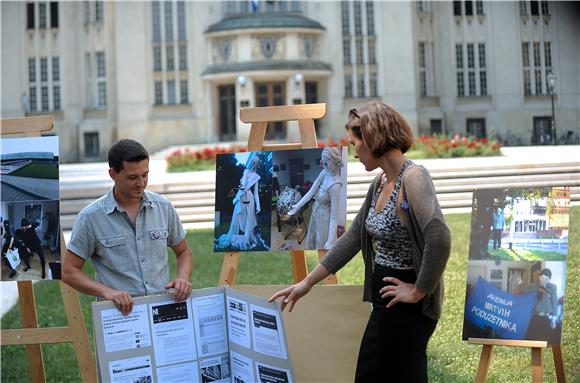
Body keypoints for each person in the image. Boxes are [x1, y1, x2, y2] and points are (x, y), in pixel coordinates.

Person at [269, 101, 451, 383]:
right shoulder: (379, 182)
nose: (353, 153)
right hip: (385, 301)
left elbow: (439, 235)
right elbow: (353, 237)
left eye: (355, 143)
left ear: (373, 139)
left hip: (407, 308)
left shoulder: (414, 178)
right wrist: (307, 282)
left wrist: (419, 290)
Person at [62, 139, 193, 316]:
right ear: (113, 174)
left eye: (145, 175)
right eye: (132, 177)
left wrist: (182, 279)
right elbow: (69, 271)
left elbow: (183, 251)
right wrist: (107, 292)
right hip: (118, 316)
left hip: (163, 311)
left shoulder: (164, 207)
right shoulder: (90, 218)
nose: (141, 183)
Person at [287, 146, 344, 250]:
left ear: (335, 161)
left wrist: (331, 239)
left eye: (326, 162)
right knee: (312, 238)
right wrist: (297, 206)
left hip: (324, 217)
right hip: (316, 212)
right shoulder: (324, 173)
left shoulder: (335, 185)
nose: (323, 164)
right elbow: (311, 192)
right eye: (322, 162)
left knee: (320, 242)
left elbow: (334, 217)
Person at [216, 155, 265, 250]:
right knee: (236, 216)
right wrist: (242, 186)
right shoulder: (246, 171)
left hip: (250, 197)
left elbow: (256, 192)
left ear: (258, 164)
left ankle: (246, 239)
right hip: (241, 195)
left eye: (255, 162)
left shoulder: (256, 177)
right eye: (253, 161)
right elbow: (244, 181)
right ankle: (232, 235)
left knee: (249, 219)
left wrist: (258, 206)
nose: (253, 163)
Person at [526, 268, 558, 342]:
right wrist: (519, 283)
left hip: (545, 318)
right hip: (535, 317)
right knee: (532, 338)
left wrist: (554, 318)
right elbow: (526, 290)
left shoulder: (552, 287)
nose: (543, 279)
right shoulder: (535, 285)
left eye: (545, 278)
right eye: (541, 277)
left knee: (543, 338)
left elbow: (554, 302)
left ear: (549, 279)